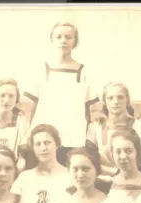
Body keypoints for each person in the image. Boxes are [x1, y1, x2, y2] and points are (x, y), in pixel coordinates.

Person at [23, 22, 98, 167]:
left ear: (75, 41)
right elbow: (31, 107)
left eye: (68, 37)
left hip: (73, 139)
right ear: (52, 39)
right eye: (59, 37)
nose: (63, 40)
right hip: (44, 139)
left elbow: (89, 110)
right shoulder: (42, 68)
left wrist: (85, 140)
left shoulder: (83, 71)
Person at [86, 82, 141, 177]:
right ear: (104, 102)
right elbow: (89, 160)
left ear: (127, 100)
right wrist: (115, 173)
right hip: (103, 181)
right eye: (110, 98)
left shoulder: (139, 126)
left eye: (120, 97)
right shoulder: (95, 127)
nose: (116, 101)